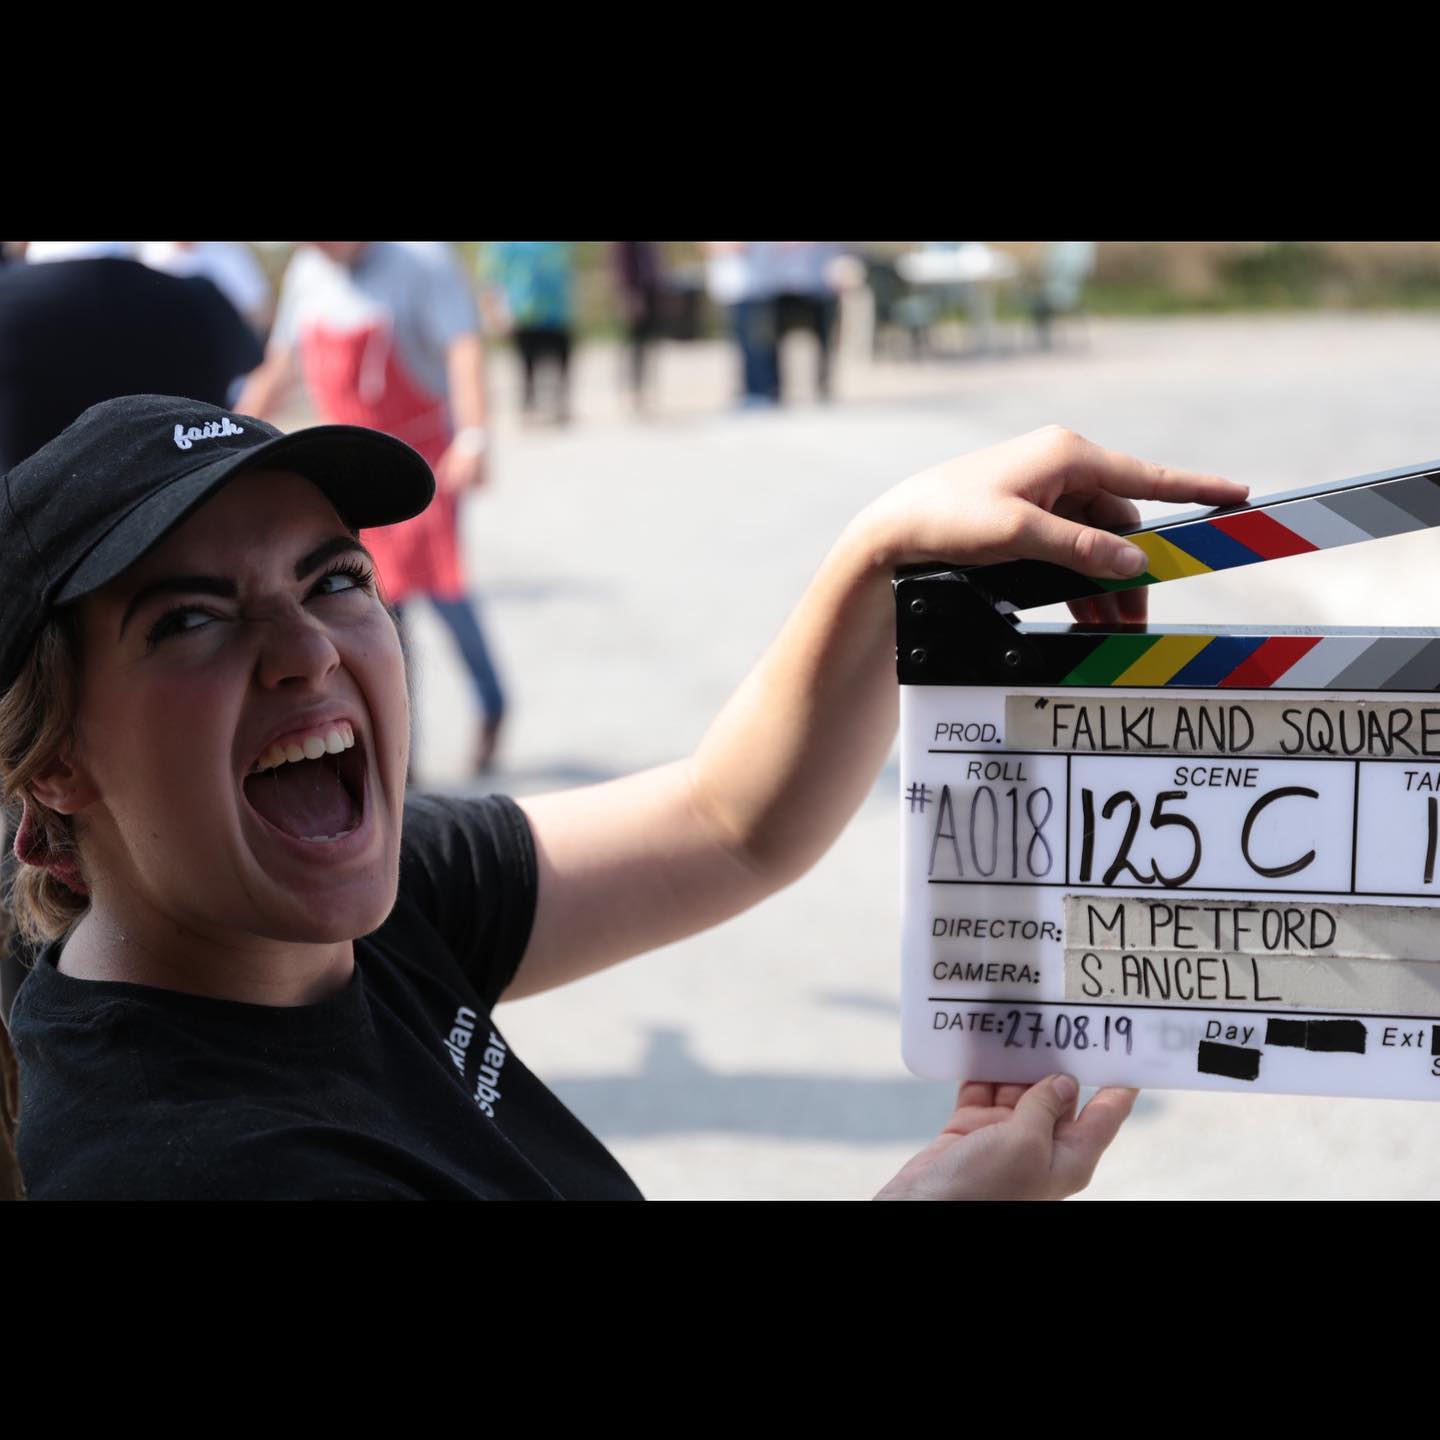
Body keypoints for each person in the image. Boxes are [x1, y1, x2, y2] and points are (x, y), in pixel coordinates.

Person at [0, 397, 1248, 1200]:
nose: (307, 650)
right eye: (192, 619)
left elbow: (725, 824)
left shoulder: (340, 921)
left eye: (333, 578)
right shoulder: (186, 1167)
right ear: (51, 763)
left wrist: (881, 553)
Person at [236, 242, 505, 776]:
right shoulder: (308, 272)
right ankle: (405, 766)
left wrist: (474, 437)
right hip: (349, 472)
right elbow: (281, 365)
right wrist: (229, 440)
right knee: (378, 612)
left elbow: (463, 348)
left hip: (420, 463)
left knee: (445, 595)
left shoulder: (422, 261)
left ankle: (493, 701)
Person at [483, 242, 577, 425]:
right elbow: (491, 276)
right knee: (526, 364)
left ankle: (559, 404)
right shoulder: (504, 245)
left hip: (557, 310)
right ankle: (529, 406)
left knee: (561, 359)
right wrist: (495, 312)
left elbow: (566, 269)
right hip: (524, 310)